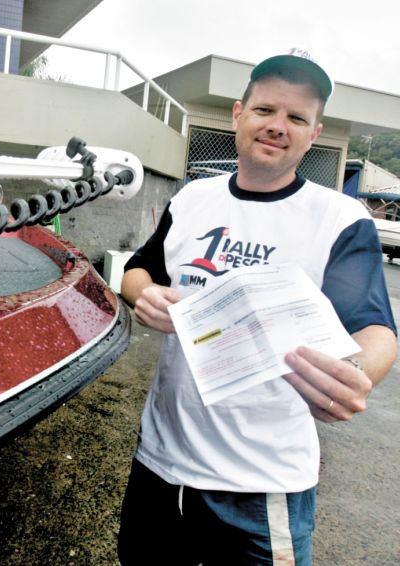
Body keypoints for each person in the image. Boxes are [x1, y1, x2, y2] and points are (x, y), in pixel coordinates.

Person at [117, 49, 397, 565]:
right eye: (266, 110)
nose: (277, 126)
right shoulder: (193, 199)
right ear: (238, 114)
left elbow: (376, 328)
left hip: (261, 481)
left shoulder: (337, 218)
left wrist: (356, 375)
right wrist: (143, 294)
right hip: (159, 464)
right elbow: (139, 268)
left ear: (314, 134)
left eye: (296, 118)